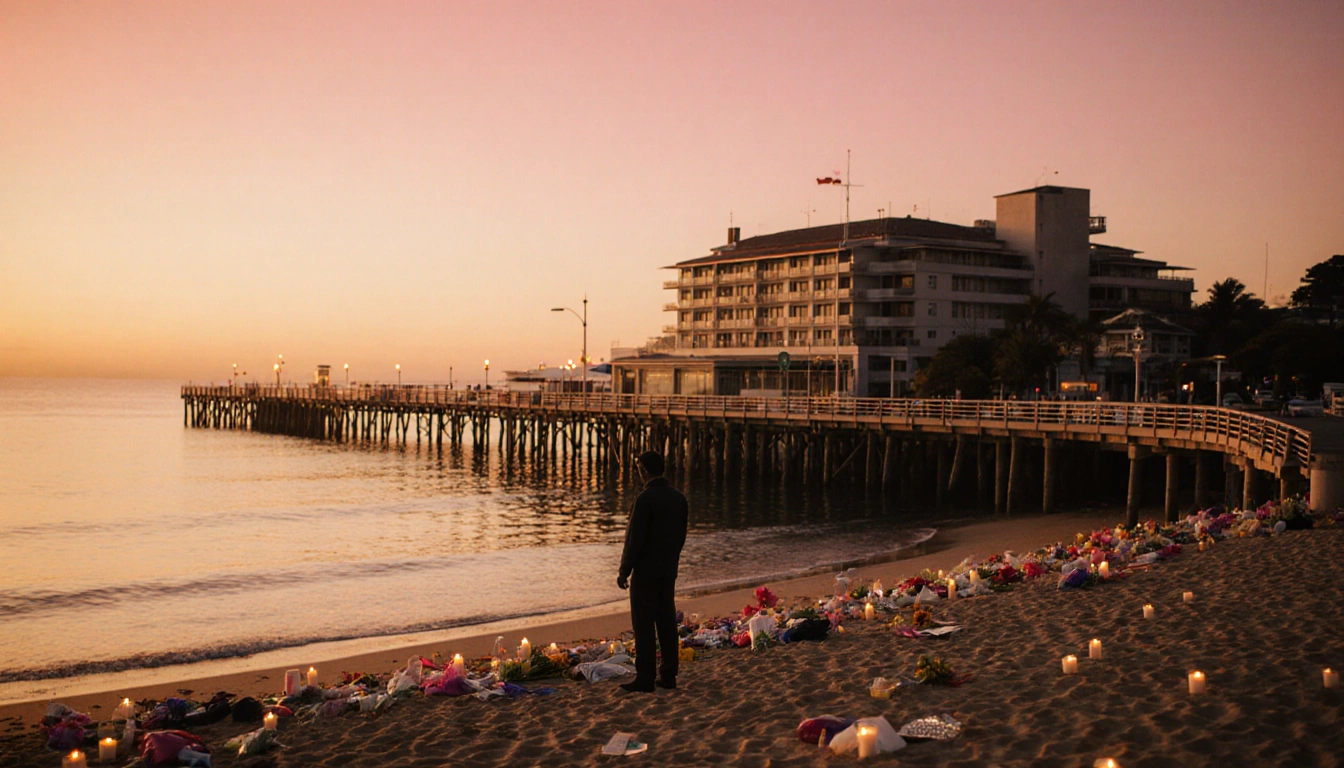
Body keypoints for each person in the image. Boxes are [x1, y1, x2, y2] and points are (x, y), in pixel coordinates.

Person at [616, 450, 688, 693]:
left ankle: (645, 677)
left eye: (639, 468)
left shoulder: (645, 499)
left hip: (646, 571)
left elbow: (634, 539)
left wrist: (624, 570)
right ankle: (668, 674)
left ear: (644, 470)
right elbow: (681, 536)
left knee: (644, 624)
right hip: (668, 569)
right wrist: (671, 559)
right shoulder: (679, 498)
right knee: (667, 622)